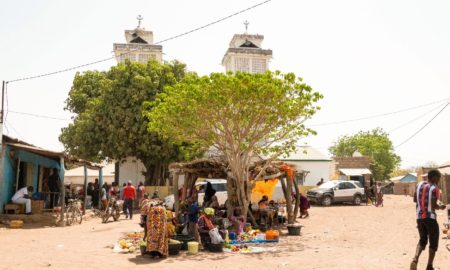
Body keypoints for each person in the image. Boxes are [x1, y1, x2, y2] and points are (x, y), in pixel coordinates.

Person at [410, 169, 446, 270]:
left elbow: (414, 200)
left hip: (419, 218)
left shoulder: (419, 185)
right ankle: (429, 266)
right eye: (438, 178)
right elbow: (434, 205)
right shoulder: (434, 188)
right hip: (430, 219)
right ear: (434, 177)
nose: (438, 180)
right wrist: (441, 206)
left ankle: (415, 259)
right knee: (433, 242)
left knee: (422, 239)